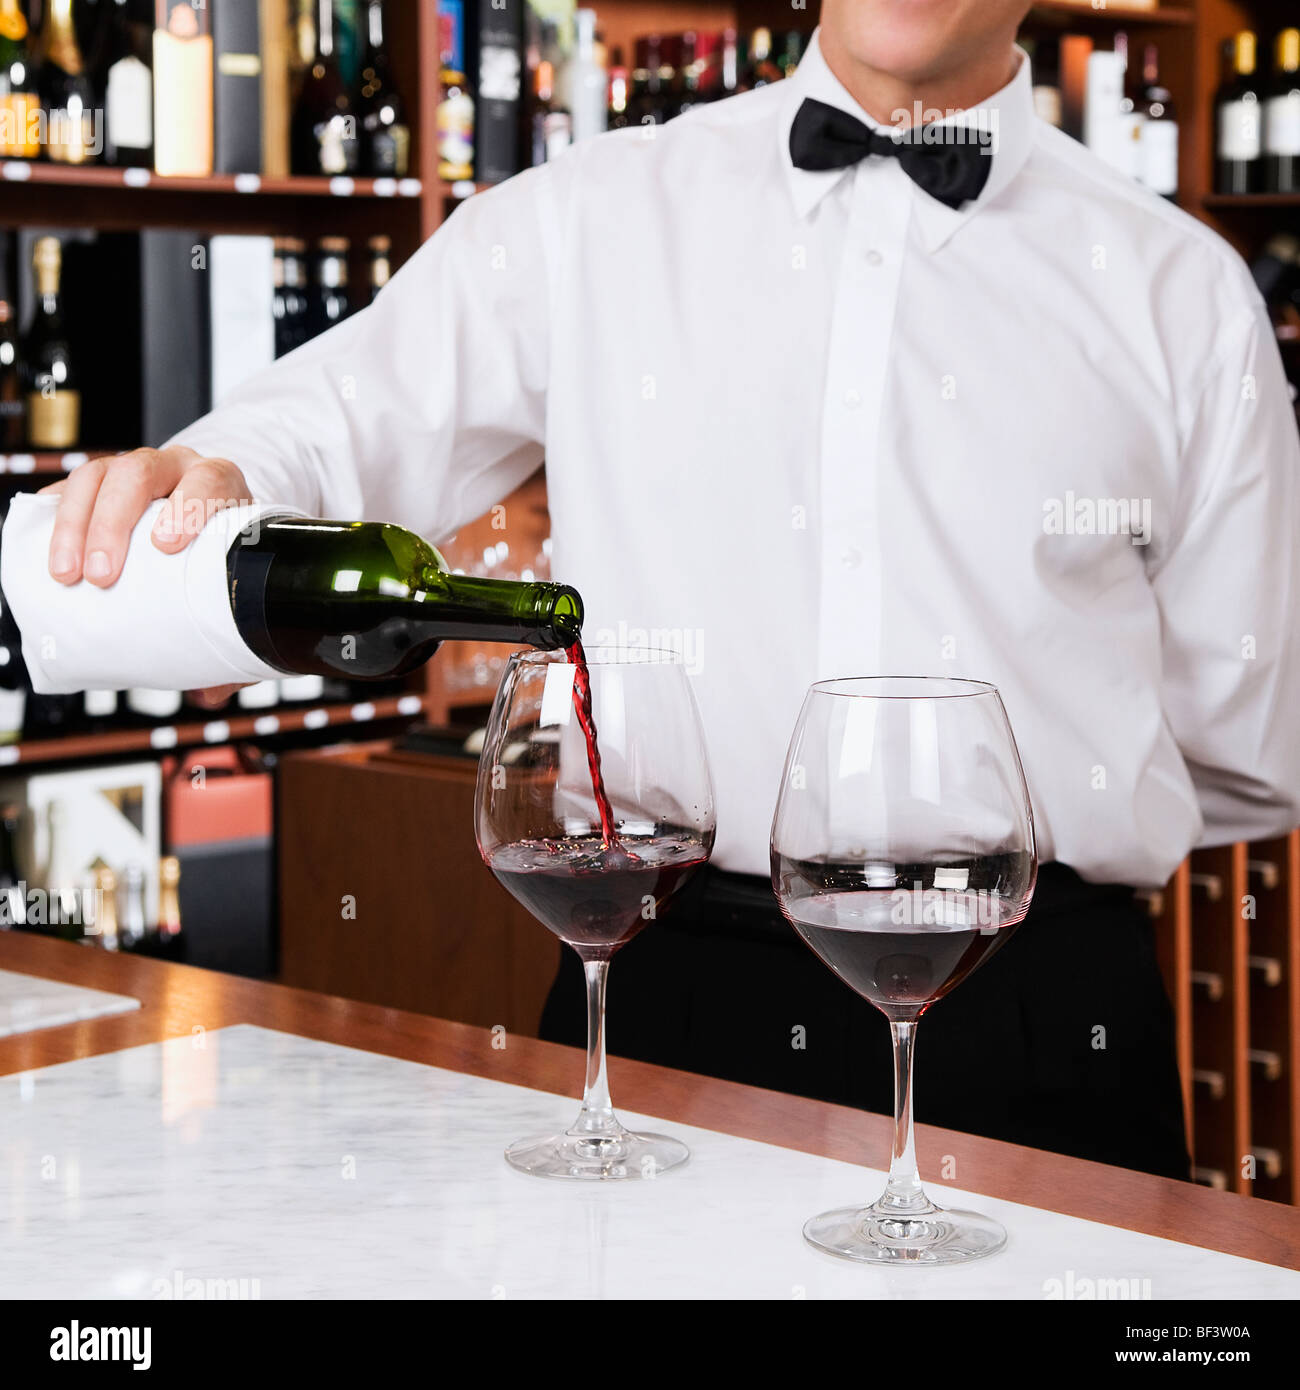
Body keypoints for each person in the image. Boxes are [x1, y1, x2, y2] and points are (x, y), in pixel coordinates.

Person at [39, 1, 1300, 1179]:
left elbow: (1248, 747)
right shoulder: (590, 213)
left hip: (1040, 1025)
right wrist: (221, 470)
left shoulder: (1182, 295)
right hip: (663, 994)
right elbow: (341, 417)